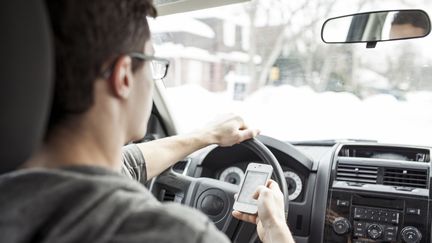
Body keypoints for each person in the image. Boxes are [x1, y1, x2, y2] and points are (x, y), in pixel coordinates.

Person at [0, 0, 294, 243]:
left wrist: (205, 136)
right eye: (152, 62)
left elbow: (126, 163)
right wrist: (276, 231)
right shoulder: (172, 234)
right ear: (124, 76)